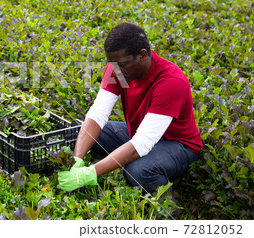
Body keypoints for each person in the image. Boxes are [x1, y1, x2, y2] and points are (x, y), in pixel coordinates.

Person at [58, 22, 202, 194]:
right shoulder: (117, 68)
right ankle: (110, 162)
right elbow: (97, 115)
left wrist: (90, 174)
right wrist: (77, 159)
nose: (115, 70)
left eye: (121, 64)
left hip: (177, 145)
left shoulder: (170, 82)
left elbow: (141, 143)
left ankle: (165, 199)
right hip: (137, 132)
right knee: (79, 129)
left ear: (142, 55)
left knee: (138, 170)